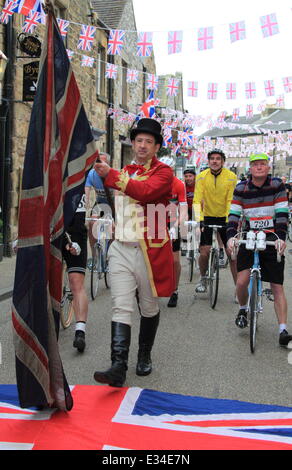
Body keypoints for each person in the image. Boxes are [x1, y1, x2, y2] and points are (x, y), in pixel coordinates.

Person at [92, 118, 175, 387]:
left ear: (157, 147)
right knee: (121, 305)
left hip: (148, 253)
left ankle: (144, 354)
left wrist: (111, 175)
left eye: (148, 142)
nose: (142, 145)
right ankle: (118, 366)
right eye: (138, 140)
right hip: (120, 248)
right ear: (133, 142)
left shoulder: (164, 173)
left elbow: (145, 192)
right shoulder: (125, 170)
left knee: (149, 307)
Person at [227, 153, 292, 347]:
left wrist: (280, 237)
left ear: (268, 167)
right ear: (250, 168)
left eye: (263, 164)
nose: (259, 167)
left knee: (277, 286)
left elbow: (281, 213)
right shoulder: (241, 188)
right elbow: (234, 215)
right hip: (249, 235)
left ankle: (283, 330)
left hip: (272, 236)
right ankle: (243, 308)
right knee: (241, 281)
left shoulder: (277, 185)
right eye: (255, 164)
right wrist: (231, 236)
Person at [193, 149, 238, 294]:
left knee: (232, 254)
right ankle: (203, 277)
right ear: (208, 161)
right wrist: (199, 219)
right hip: (207, 217)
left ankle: (239, 289)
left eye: (218, 159)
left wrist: (229, 220)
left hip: (226, 217)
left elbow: (231, 200)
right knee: (204, 252)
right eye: (212, 158)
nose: (214, 161)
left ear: (223, 162)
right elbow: (197, 200)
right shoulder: (201, 177)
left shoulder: (231, 177)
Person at [159, 157, 188, 308]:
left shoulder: (178, 184)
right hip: (155, 221)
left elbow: (183, 208)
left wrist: (177, 224)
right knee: (154, 258)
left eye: (169, 171)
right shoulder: (154, 181)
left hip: (173, 222)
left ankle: (174, 291)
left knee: (175, 261)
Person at [62, 194, 89, 353]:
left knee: (76, 282)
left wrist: (76, 243)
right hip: (53, 232)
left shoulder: (76, 182)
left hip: (74, 233)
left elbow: (79, 218)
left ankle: (80, 331)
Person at [85, 152, 112, 261]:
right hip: (100, 204)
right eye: (98, 162)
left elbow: (117, 195)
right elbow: (86, 191)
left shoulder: (113, 175)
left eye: (103, 162)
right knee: (92, 223)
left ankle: (110, 255)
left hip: (112, 204)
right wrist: (84, 205)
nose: (100, 165)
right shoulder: (91, 174)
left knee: (112, 228)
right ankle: (94, 256)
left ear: (108, 164)